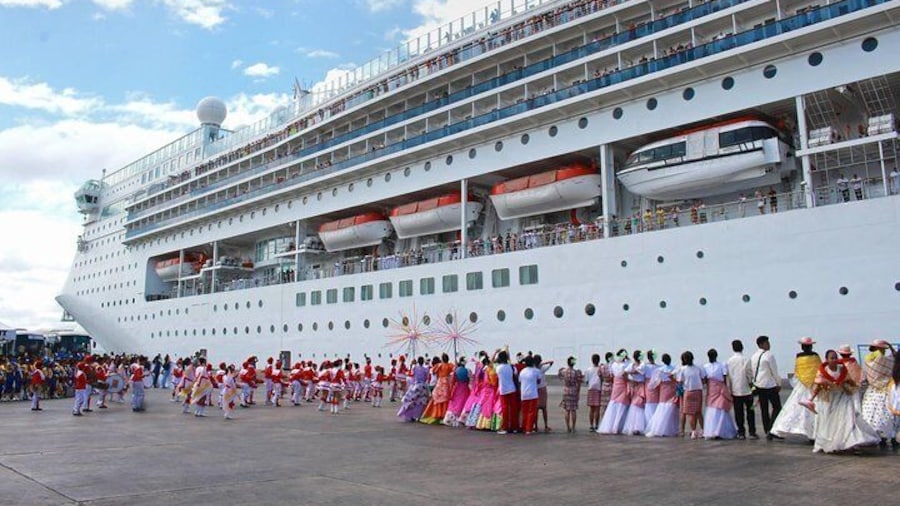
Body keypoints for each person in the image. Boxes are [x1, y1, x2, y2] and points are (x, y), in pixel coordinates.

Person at [812, 350, 880, 453]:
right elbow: (817, 384)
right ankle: (834, 442)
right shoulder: (823, 371)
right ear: (827, 359)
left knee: (848, 418)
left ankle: (849, 442)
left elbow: (850, 380)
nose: (834, 360)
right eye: (832, 358)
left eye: (835, 357)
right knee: (832, 422)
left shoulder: (842, 368)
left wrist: (853, 385)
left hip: (844, 397)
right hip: (831, 399)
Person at [772, 337, 821, 441]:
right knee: (814, 409)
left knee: (792, 409)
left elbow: (797, 371)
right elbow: (819, 369)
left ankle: (779, 429)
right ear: (811, 346)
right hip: (813, 385)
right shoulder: (815, 356)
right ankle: (812, 433)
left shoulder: (798, 356)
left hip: (801, 385)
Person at [861, 339, 896, 444]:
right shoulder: (882, 358)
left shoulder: (867, 358)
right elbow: (894, 358)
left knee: (871, 412)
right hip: (884, 389)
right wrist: (890, 346)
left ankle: (874, 435)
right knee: (885, 413)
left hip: (872, 389)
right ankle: (885, 435)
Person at [751, 335, 783, 440]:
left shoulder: (754, 356)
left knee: (764, 408)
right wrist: (779, 383)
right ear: (761, 344)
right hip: (769, 385)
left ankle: (767, 430)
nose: (769, 344)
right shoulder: (769, 355)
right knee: (777, 407)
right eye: (766, 342)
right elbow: (774, 371)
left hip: (759, 385)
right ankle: (771, 429)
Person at [702, 348, 737, 439]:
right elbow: (724, 378)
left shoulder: (706, 366)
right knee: (721, 408)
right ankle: (719, 430)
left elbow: (705, 380)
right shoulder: (721, 365)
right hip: (717, 388)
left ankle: (715, 430)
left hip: (713, 389)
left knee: (716, 408)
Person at [726, 339, 757, 439]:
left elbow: (729, 376)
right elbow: (749, 374)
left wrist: (730, 389)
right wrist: (751, 384)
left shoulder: (729, 361)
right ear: (742, 347)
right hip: (747, 390)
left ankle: (741, 432)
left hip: (735, 390)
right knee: (750, 411)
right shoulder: (746, 359)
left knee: (738, 412)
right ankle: (752, 432)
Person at [645, 354, 679, 437]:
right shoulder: (675, 368)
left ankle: (659, 428)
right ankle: (672, 429)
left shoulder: (659, 370)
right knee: (672, 409)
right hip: (673, 389)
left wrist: (651, 386)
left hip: (664, 389)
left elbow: (653, 383)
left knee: (662, 408)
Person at [598, 349, 630, 434]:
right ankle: (617, 426)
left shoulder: (614, 364)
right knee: (622, 406)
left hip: (616, 385)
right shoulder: (625, 365)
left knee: (613, 404)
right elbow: (626, 376)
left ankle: (610, 425)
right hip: (623, 385)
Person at [676, 351, 706, 439]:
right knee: (699, 412)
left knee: (690, 414)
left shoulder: (683, 369)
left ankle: (693, 431)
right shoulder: (698, 368)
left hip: (688, 391)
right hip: (698, 391)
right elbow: (703, 379)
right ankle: (703, 430)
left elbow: (679, 381)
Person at [420, 353, 455, 424]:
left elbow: (432, 371)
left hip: (440, 382)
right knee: (445, 399)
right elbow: (454, 370)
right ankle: (443, 415)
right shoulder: (450, 365)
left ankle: (437, 414)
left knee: (437, 398)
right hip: (446, 383)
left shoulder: (439, 365)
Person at [397, 357, 430, 422]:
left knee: (411, 400)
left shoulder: (415, 368)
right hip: (423, 386)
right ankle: (419, 416)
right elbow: (426, 378)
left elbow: (412, 375)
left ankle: (409, 415)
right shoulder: (426, 369)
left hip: (415, 385)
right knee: (421, 402)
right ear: (423, 362)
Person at [623, 350, 648, 435]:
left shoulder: (636, 365)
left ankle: (636, 427)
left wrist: (630, 378)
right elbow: (625, 373)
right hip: (638, 385)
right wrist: (630, 380)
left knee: (638, 404)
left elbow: (626, 373)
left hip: (637, 385)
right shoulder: (639, 365)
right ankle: (636, 427)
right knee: (636, 404)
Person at [558, 356, 583, 433]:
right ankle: (573, 427)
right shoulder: (576, 372)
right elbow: (579, 382)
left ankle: (568, 427)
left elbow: (559, 375)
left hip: (566, 390)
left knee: (567, 410)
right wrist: (578, 392)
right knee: (573, 410)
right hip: (573, 390)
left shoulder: (564, 371)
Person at [496, 350, 518, 434]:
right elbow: (515, 374)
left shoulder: (498, 368)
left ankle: (505, 427)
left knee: (505, 409)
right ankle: (514, 427)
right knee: (513, 409)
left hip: (503, 390)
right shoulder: (511, 367)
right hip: (512, 388)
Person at [442, 358, 470, 426]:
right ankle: (462, 419)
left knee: (454, 403)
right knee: (463, 403)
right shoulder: (467, 371)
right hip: (465, 388)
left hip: (457, 388)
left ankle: (450, 419)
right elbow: (469, 379)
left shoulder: (456, 370)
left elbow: (452, 381)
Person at [519, 356, 540, 435]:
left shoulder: (522, 371)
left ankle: (524, 427)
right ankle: (529, 428)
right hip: (533, 394)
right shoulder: (536, 371)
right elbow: (538, 381)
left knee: (524, 411)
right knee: (531, 412)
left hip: (524, 393)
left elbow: (520, 381)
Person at [534, 354, 554, 432]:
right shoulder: (542, 369)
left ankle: (535, 426)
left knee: (536, 409)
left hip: (535, 389)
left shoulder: (533, 369)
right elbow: (551, 362)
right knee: (544, 408)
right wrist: (543, 363)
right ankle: (546, 425)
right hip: (542, 388)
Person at [585, 353, 603, 431]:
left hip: (590, 389)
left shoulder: (588, 370)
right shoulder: (601, 369)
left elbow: (586, 381)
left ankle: (591, 425)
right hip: (598, 389)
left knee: (591, 409)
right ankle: (597, 425)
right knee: (597, 409)